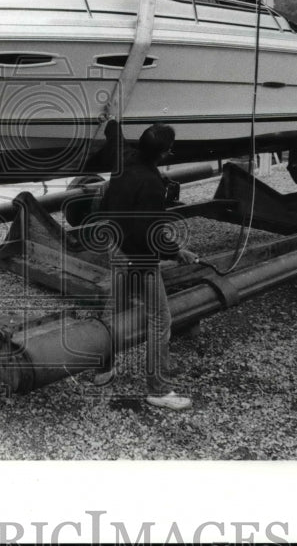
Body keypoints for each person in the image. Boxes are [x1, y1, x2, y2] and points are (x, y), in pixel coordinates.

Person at [94, 123, 198, 411]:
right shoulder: (152, 185)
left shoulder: (125, 158)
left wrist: (112, 123)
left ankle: (103, 370)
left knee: (112, 311)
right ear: (164, 154)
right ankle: (158, 389)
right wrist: (177, 253)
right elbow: (147, 234)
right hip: (137, 257)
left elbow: (115, 142)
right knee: (160, 320)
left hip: (115, 246)